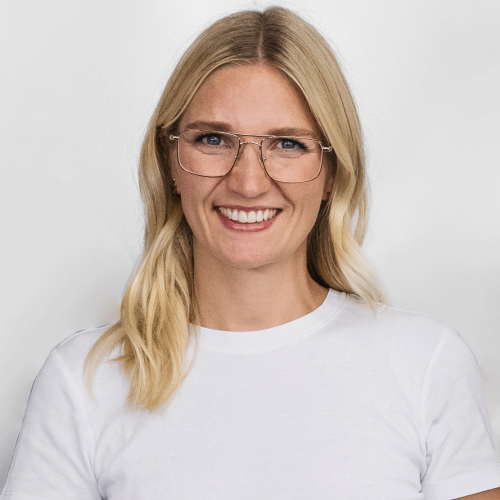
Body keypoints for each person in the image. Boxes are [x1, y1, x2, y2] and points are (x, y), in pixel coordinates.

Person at [1, 6, 499, 500]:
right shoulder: (83, 379)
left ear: (333, 173)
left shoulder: (425, 363)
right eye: (213, 139)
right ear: (171, 162)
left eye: (287, 144)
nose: (247, 182)